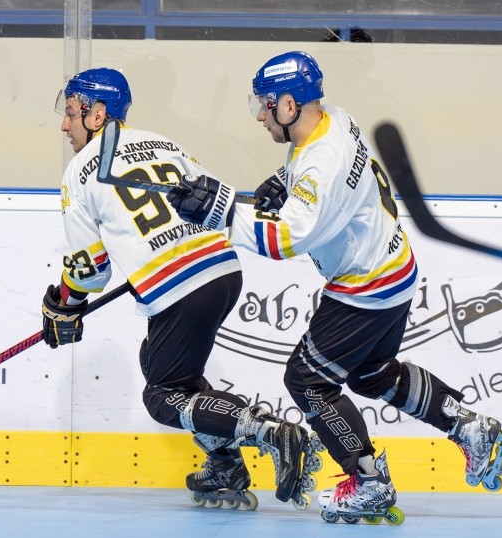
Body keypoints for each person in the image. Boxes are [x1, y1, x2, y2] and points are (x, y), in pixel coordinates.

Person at [167, 50, 502, 523]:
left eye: (264, 104)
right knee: (372, 373)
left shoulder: (321, 164)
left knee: (307, 380)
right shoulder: (334, 118)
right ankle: (469, 427)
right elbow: (318, 181)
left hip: (365, 286)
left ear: (289, 105)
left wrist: (223, 211)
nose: (259, 115)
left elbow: (287, 239)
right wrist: (284, 180)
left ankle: (369, 481)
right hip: (393, 267)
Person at [42, 67, 324, 510]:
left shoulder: (78, 172)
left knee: (163, 396)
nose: (64, 124)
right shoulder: (162, 143)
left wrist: (63, 303)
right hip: (223, 270)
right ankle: (225, 465)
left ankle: (269, 431)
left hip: (179, 286)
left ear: (97, 115)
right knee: (165, 368)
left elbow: (90, 271)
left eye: (72, 113)